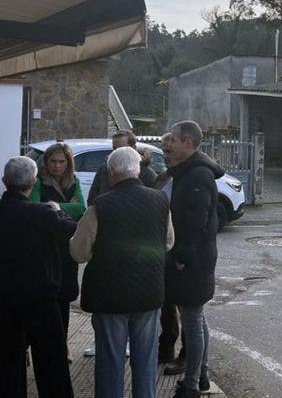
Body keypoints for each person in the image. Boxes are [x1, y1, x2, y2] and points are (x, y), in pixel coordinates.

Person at [71, 147, 174, 398]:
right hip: (148, 291)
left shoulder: (100, 207)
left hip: (110, 295)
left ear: (111, 172)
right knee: (146, 359)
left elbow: (79, 252)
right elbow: (168, 242)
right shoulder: (160, 200)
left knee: (110, 360)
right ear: (137, 170)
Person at [0, 157, 76, 398]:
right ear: (33, 183)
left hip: (4, 296)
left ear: (4, 181)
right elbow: (71, 234)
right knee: (51, 358)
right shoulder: (43, 213)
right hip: (40, 296)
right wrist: (58, 212)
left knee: (7, 357)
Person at [165, 121, 223, 398]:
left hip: (193, 261)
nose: (169, 144)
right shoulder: (189, 172)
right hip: (196, 258)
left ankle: (191, 386)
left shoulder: (197, 175)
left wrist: (182, 257)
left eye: (173, 140)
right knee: (197, 319)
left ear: (187, 142)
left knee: (192, 319)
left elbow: (196, 223)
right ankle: (201, 376)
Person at [28, 143, 84, 349]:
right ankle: (41, 344)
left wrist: (57, 206)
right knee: (45, 299)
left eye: (62, 162)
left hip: (67, 245)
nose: (57, 166)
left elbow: (81, 208)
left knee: (65, 298)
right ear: (46, 161)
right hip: (46, 246)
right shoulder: (38, 182)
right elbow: (35, 207)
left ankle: (62, 345)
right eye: (53, 161)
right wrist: (62, 210)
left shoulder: (73, 181)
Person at [155, 133, 184, 374]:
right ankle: (166, 350)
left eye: (169, 152)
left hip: (180, 252)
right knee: (166, 305)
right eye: (163, 152)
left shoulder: (187, 179)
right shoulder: (163, 177)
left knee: (187, 309)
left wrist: (182, 255)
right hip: (163, 249)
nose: (165, 156)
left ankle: (186, 358)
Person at [87, 130, 158, 206]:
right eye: (114, 148)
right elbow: (92, 199)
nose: (117, 152)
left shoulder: (147, 175)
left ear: (133, 148)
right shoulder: (104, 170)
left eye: (121, 149)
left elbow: (152, 204)